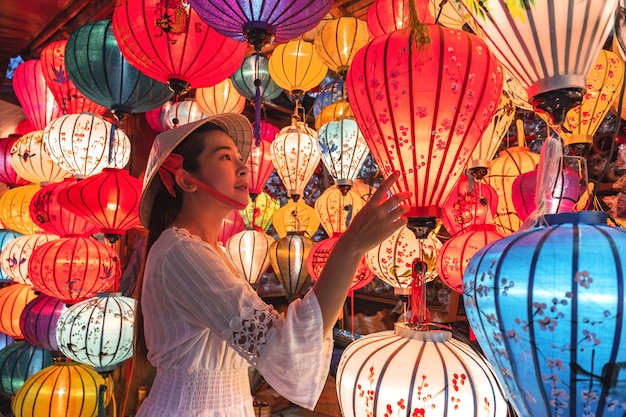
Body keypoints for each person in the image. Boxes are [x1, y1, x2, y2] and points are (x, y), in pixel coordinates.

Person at [134, 113, 411, 417]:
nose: (243, 167)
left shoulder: (212, 252)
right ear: (186, 179)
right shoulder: (181, 253)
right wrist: (351, 244)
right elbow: (283, 348)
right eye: (225, 157)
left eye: (240, 158)